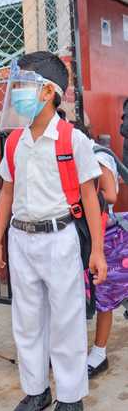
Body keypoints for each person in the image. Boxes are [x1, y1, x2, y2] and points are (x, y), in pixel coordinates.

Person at [0, 51, 107, 411]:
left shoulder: (73, 140)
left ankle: (70, 396)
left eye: (24, 85)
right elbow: (6, 192)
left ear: (48, 92)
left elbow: (89, 196)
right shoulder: (15, 142)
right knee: (27, 321)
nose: (16, 93)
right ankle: (35, 391)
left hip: (59, 239)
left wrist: (99, 251)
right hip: (21, 239)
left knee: (67, 320)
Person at [87, 143, 127, 378]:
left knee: (106, 297)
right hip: (90, 236)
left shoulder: (96, 156)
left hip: (110, 238)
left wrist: (77, 194)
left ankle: (99, 354)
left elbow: (111, 194)